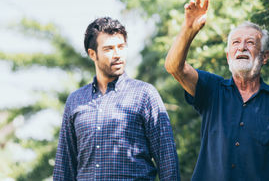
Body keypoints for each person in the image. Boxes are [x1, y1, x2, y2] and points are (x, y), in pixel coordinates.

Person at [165, 0, 269, 181]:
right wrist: (188, 30)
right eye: (235, 43)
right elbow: (174, 67)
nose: (241, 47)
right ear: (228, 56)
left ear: (264, 56)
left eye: (250, 42)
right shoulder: (212, 90)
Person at [54, 17, 180, 181]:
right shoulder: (75, 101)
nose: (117, 54)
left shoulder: (145, 94)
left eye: (121, 47)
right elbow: (64, 167)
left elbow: (167, 159)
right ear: (93, 54)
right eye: (108, 49)